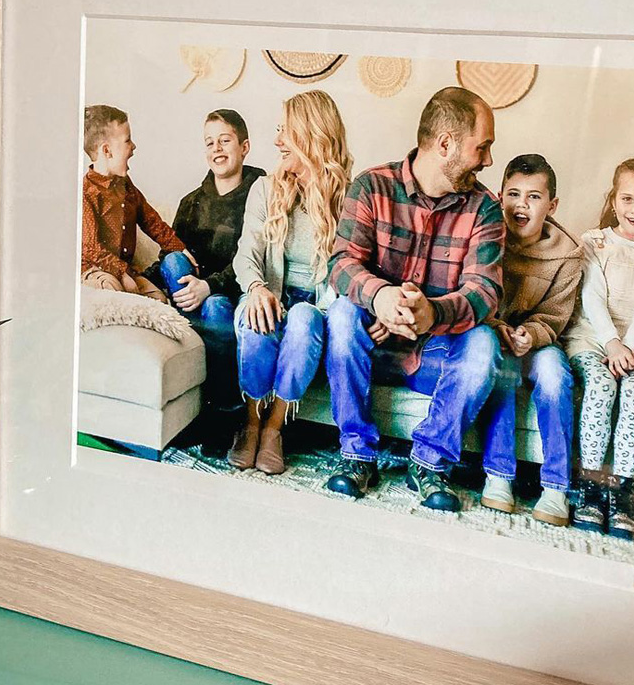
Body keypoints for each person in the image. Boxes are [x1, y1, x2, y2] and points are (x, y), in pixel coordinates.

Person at [324, 87, 504, 513]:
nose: (488, 161)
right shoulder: (371, 186)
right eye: (483, 147)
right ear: (446, 144)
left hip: (435, 354)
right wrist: (382, 296)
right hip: (372, 340)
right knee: (342, 312)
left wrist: (432, 314)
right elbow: (341, 263)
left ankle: (429, 463)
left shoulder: (485, 208)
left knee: (484, 343)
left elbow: (486, 291)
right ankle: (356, 454)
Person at [229, 90, 353, 475]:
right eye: (278, 130)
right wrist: (255, 288)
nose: (277, 140)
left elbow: (353, 270)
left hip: (318, 309)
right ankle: (250, 421)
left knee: (302, 317)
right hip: (271, 296)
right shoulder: (265, 189)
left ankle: (273, 428)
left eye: (287, 131)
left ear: (312, 135)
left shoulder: (350, 197)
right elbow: (246, 252)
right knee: (257, 314)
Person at [562, 157, 634, 540]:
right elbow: (592, 296)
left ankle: (621, 490)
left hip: (633, 346)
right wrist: (611, 343)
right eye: (627, 198)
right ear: (613, 199)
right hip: (592, 339)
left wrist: (627, 347)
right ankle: (591, 486)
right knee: (600, 384)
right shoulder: (595, 242)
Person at [476, 154, 583, 525]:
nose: (521, 205)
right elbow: (472, 293)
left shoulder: (567, 255)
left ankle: (555, 487)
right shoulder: (485, 236)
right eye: (513, 194)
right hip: (495, 337)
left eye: (534, 197)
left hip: (537, 342)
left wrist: (532, 335)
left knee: (555, 372)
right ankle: (499, 476)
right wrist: (497, 328)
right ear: (499, 196)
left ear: (551, 205)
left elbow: (556, 314)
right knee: (501, 368)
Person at [148, 110, 265, 409]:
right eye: (210, 142)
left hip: (230, 295)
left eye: (225, 140)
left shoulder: (261, 195)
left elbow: (252, 256)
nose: (217, 149)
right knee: (173, 260)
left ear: (244, 147)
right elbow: (170, 255)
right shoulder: (191, 202)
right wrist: (140, 282)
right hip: (188, 296)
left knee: (215, 306)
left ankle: (222, 407)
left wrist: (209, 286)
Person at [80, 105, 192, 301]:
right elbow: (92, 249)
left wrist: (180, 248)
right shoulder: (86, 193)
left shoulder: (126, 186)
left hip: (124, 271)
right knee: (110, 288)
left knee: (160, 299)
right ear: (107, 151)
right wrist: (123, 273)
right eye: (127, 140)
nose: (133, 147)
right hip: (95, 269)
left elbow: (151, 220)